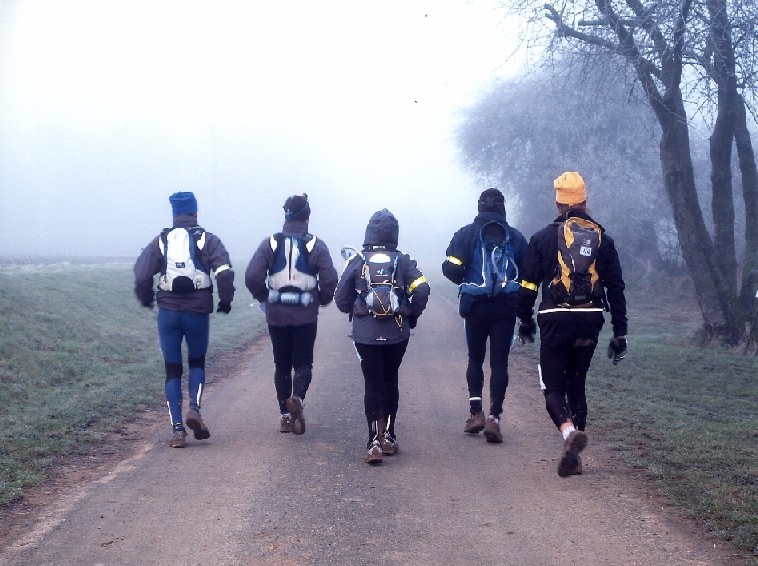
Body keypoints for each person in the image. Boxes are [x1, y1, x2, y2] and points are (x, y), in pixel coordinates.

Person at [516, 171, 628, 477]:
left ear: (558, 204)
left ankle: (569, 433)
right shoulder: (603, 239)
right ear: (585, 202)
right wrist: (620, 332)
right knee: (576, 384)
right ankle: (574, 458)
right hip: (590, 321)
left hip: (555, 320)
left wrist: (525, 319)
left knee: (553, 387)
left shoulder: (542, 238)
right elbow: (616, 288)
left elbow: (527, 285)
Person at [134, 191, 235, 448]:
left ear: (174, 214)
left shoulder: (161, 240)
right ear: (196, 213)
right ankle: (195, 410)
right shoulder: (208, 239)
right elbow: (224, 273)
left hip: (168, 313)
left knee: (172, 370)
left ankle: (177, 431)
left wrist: (146, 299)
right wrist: (225, 301)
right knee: (197, 363)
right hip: (197, 312)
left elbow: (142, 274)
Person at [334, 209, 430, 464]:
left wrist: (358, 309)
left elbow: (341, 299)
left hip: (365, 335)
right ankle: (388, 435)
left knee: (372, 383)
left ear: (369, 233)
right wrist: (411, 314)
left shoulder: (357, 261)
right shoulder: (404, 260)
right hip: (397, 333)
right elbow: (422, 289)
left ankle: (372, 442)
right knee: (390, 379)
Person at [245, 194, 338, 435]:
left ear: (285, 216)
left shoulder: (270, 243)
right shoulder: (316, 244)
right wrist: (322, 299)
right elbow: (330, 279)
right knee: (303, 363)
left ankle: (285, 416)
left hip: (277, 315)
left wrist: (264, 297)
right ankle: (298, 397)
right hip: (305, 315)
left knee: (282, 365)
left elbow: (252, 276)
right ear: (307, 217)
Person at [442, 188, 527, 444]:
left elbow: (450, 268)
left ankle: (475, 413)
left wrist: (466, 278)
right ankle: (494, 418)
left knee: (475, 358)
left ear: (480, 206)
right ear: (502, 207)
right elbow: (529, 272)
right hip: (505, 307)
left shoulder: (466, 234)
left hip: (475, 305)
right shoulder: (515, 237)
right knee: (499, 362)